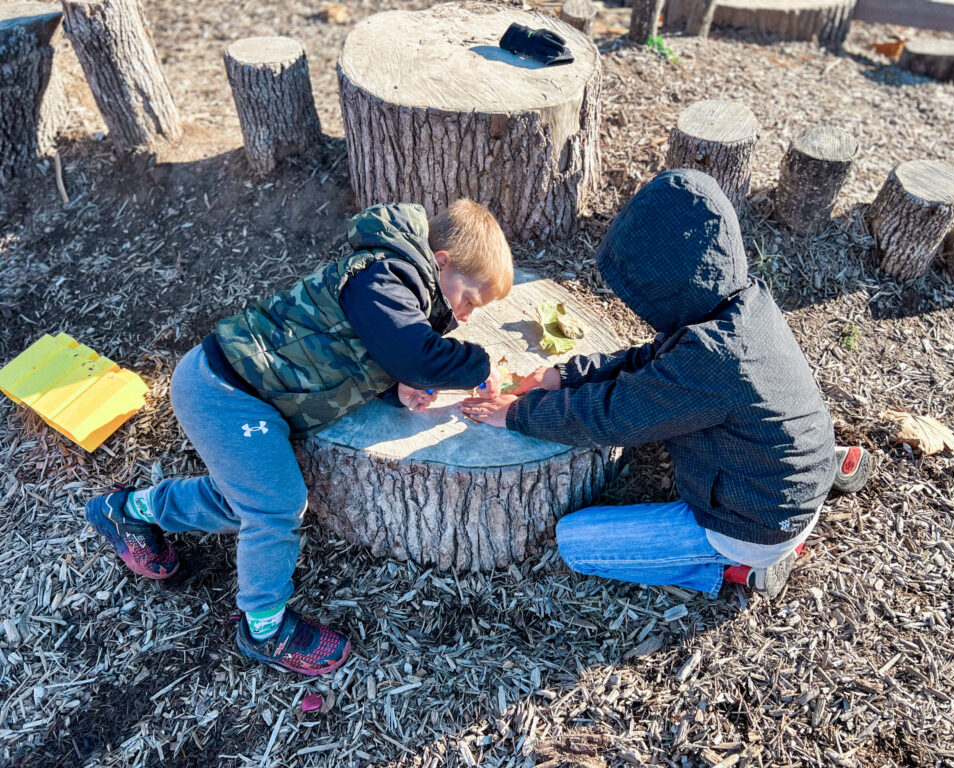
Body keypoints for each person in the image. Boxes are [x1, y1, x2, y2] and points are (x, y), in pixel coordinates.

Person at [85, 201, 513, 675]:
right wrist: (476, 365)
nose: (468, 316)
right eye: (470, 299)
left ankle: (128, 511)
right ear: (442, 261)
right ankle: (264, 630)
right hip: (227, 389)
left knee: (246, 501)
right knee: (276, 506)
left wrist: (397, 385)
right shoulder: (385, 274)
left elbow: (364, 352)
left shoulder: (403, 289)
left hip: (249, 396)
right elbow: (408, 349)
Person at [462, 170, 871, 599]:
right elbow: (651, 360)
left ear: (669, 280)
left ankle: (734, 567)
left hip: (756, 525)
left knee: (576, 543)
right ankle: (823, 477)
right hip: (800, 470)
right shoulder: (744, 303)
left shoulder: (711, 359)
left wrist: (515, 415)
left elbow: (614, 415)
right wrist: (562, 375)